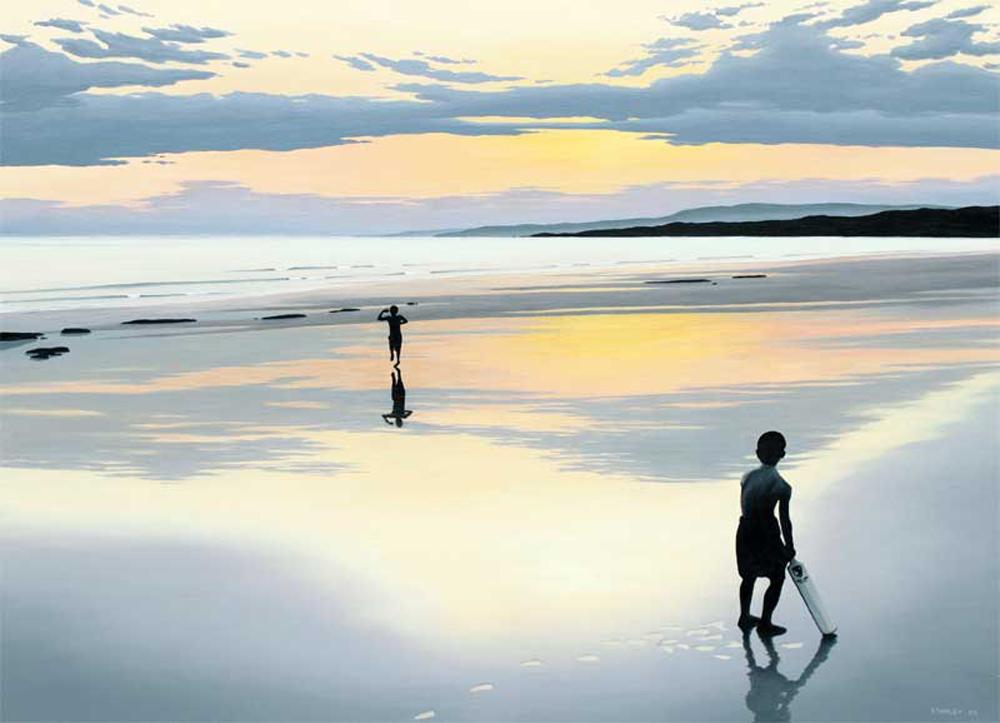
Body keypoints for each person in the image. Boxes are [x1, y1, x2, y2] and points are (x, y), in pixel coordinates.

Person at [737, 430, 795, 636]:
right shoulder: (782, 486)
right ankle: (765, 623)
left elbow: (745, 504)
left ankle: (744, 616)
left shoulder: (746, 477)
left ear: (757, 453)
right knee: (777, 577)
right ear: (782, 455)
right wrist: (789, 547)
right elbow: (785, 520)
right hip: (766, 534)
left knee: (748, 576)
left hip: (745, 531)